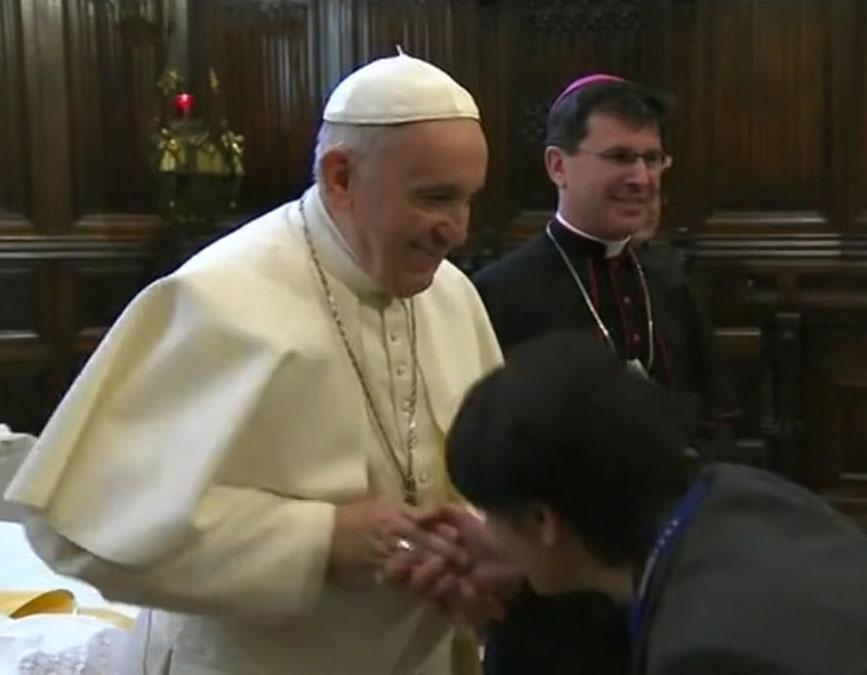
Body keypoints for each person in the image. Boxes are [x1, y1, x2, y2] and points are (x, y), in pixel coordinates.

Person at [4, 49, 503, 675]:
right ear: (340, 176)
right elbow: (81, 532)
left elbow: (488, 482)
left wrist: (476, 546)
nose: (455, 229)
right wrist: (319, 541)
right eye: (434, 198)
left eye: (467, 200)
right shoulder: (218, 298)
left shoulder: (453, 296)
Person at [440, 332, 867, 675]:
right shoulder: (737, 494)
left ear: (541, 521)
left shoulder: (711, 655)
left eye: (491, 515)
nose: (489, 532)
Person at [469, 72, 741, 675]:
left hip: (671, 579)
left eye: (652, 158)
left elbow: (717, 420)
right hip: (557, 600)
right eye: (620, 156)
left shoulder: (670, 284)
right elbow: (494, 456)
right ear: (558, 166)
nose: (641, 177)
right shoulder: (500, 293)